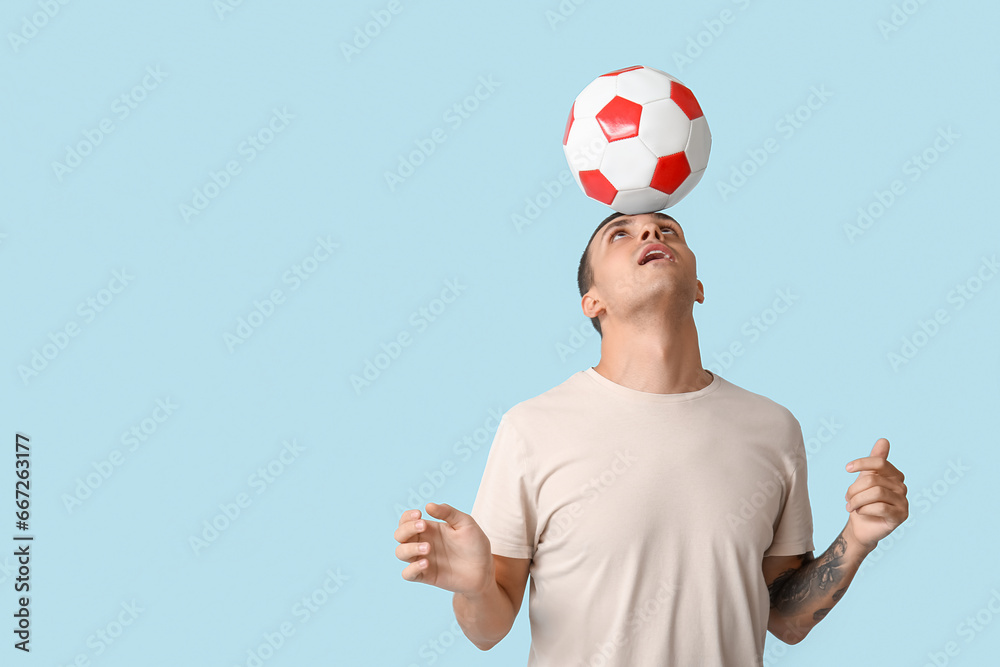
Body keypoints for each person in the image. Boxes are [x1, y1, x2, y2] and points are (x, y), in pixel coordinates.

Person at [393, 211, 909, 666]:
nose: (648, 231)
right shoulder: (532, 427)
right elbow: (488, 631)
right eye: (619, 234)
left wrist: (858, 538)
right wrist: (478, 586)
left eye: (669, 231)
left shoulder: (773, 428)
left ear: (700, 285)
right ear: (590, 300)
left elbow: (786, 618)